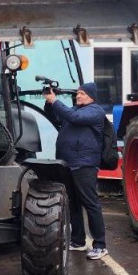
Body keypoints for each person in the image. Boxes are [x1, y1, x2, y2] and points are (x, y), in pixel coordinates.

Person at [44, 81, 108, 260]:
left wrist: (56, 101)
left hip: (84, 164)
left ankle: (100, 245)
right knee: (73, 203)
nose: (78, 96)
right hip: (68, 163)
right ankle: (78, 241)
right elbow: (56, 118)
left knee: (90, 203)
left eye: (82, 93)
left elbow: (74, 118)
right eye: (77, 93)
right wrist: (50, 103)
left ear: (91, 96)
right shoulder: (74, 111)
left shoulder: (95, 111)